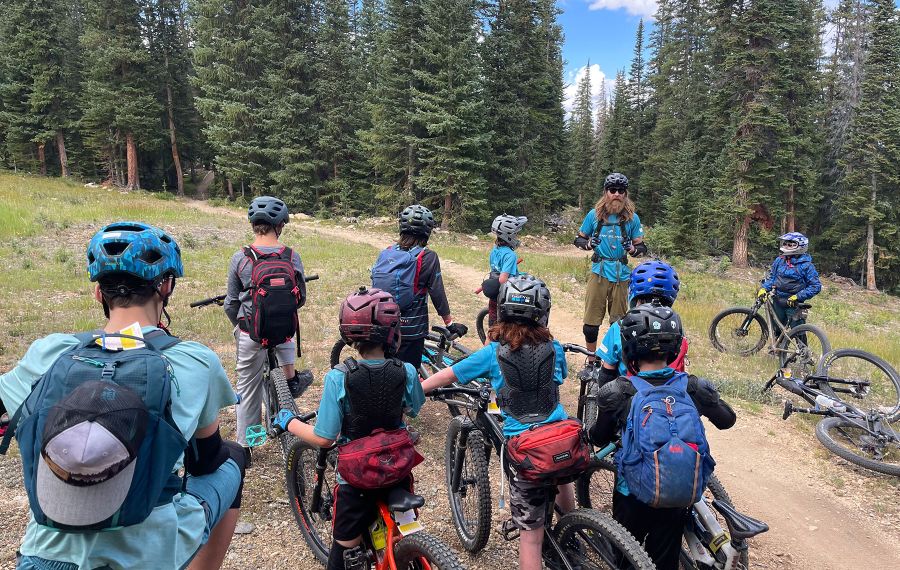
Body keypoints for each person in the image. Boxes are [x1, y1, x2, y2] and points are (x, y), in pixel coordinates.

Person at [0, 221, 245, 570]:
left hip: (44, 556)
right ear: (166, 286)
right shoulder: (193, 360)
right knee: (233, 457)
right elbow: (206, 459)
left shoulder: (50, 351)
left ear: (99, 293)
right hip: (147, 555)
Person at [422, 274, 575, 570]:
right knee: (562, 473)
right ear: (543, 313)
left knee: (530, 539)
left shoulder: (493, 352)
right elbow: (560, 377)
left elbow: (449, 375)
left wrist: (418, 389)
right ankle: (570, 527)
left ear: (501, 310)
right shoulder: (554, 349)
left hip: (527, 448)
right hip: (561, 436)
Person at [272, 287, 425, 570]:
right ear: (392, 329)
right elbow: (414, 407)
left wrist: (290, 422)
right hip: (398, 470)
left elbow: (324, 438)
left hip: (358, 481)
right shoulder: (406, 371)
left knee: (342, 550)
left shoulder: (338, 377)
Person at [589, 304, 736, 570]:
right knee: (665, 558)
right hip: (679, 489)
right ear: (675, 345)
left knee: (626, 554)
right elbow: (727, 420)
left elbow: (599, 438)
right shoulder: (692, 387)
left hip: (631, 492)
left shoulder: (618, 391)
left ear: (629, 348)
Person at [224, 196, 309, 457]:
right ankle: (290, 382)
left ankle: (248, 446)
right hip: (284, 332)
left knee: (247, 387)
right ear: (280, 225)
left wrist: (241, 327)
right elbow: (301, 298)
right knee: (286, 359)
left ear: (253, 225)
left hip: (252, 333)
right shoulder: (291, 256)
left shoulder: (241, 258)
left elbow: (230, 303)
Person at [372, 204, 465, 371]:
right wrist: (450, 324)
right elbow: (437, 294)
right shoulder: (428, 256)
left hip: (385, 326)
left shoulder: (387, 252)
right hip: (412, 330)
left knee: (386, 371)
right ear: (427, 231)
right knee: (407, 375)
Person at [573, 173, 646, 370]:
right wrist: (588, 244)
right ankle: (590, 361)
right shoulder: (594, 215)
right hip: (599, 272)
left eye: (620, 191)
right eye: (612, 190)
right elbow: (578, 239)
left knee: (620, 324)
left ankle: (614, 364)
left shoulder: (632, 219)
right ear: (606, 192)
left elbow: (641, 248)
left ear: (625, 194)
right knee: (591, 323)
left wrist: (632, 249)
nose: (616, 194)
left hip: (621, 275)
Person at [594, 260, 686, 386]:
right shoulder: (676, 326)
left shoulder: (619, 326)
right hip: (671, 394)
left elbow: (607, 370)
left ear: (634, 295)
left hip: (630, 395)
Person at [758, 232, 821, 330]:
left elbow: (815, 286)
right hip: (778, 301)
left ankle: (802, 346)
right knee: (776, 330)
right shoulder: (779, 260)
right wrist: (764, 288)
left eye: (790, 244)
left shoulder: (807, 266)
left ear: (800, 246)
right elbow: (772, 278)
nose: (786, 246)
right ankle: (779, 345)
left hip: (794, 305)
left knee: (798, 333)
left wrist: (798, 296)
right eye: (785, 243)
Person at [481, 214, 527, 332]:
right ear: (509, 236)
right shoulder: (510, 255)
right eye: (515, 234)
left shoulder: (495, 250)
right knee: (506, 328)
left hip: (494, 296)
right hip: (505, 297)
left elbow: (496, 270)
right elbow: (502, 279)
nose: (517, 237)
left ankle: (488, 346)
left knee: (493, 327)